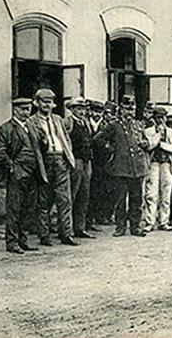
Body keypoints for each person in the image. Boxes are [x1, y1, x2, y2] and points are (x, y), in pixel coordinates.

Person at [27, 88, 79, 247]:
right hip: (45, 161)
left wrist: (68, 157)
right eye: (44, 102)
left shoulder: (58, 119)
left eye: (50, 102)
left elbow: (66, 139)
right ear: (37, 103)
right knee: (44, 201)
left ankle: (66, 234)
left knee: (65, 199)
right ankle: (44, 235)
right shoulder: (31, 121)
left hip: (60, 160)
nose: (47, 105)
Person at [92, 94, 149, 237]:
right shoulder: (114, 125)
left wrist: (146, 144)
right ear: (121, 109)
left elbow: (146, 141)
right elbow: (98, 139)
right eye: (127, 109)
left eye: (132, 109)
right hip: (120, 168)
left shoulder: (138, 124)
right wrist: (111, 150)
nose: (130, 112)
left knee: (137, 199)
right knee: (120, 199)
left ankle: (135, 227)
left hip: (137, 167)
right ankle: (120, 227)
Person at [0, 97, 44, 254]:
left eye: (28, 109)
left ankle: (23, 241)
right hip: (17, 173)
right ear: (15, 110)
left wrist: (43, 139)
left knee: (29, 209)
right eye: (23, 109)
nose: (26, 112)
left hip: (33, 173)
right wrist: (12, 168)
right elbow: (0, 152)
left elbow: (39, 147)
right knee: (14, 209)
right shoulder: (6, 128)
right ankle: (12, 242)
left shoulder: (32, 127)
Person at [141, 106, 172, 233]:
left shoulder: (171, 132)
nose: (160, 120)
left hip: (167, 164)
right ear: (153, 118)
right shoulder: (148, 131)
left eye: (162, 117)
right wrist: (157, 136)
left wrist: (162, 144)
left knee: (166, 193)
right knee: (151, 194)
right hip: (153, 164)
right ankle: (150, 222)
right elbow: (148, 146)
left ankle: (164, 221)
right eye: (157, 117)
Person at [67, 97, 95, 239]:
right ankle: (68, 228)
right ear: (72, 109)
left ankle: (80, 227)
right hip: (75, 160)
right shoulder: (68, 122)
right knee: (73, 193)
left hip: (86, 161)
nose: (81, 111)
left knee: (84, 195)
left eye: (83, 109)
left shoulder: (86, 123)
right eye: (78, 108)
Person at [86, 99, 110, 231]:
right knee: (86, 192)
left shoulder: (106, 125)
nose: (97, 114)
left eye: (100, 112)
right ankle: (85, 220)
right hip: (88, 161)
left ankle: (94, 219)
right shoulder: (86, 123)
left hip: (102, 163)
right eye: (95, 111)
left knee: (99, 191)